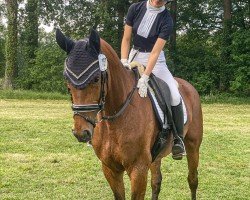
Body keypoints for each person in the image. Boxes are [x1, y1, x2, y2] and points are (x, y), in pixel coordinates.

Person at [120, 0, 186, 160]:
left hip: (155, 62)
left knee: (174, 93)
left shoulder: (166, 20)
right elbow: (126, 38)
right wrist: (123, 61)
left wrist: (145, 77)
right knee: (116, 86)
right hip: (133, 55)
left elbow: (155, 52)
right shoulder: (135, 8)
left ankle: (178, 139)